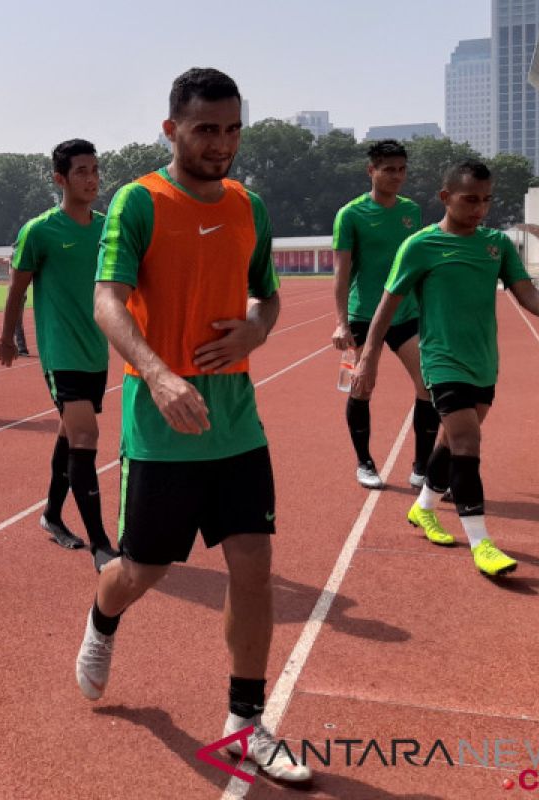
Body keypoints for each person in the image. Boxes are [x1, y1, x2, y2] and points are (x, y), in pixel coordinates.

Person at [75, 68, 311, 784]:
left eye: (234, 129)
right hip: (162, 422)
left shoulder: (250, 206)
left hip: (237, 419)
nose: (222, 144)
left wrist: (255, 334)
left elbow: (266, 300)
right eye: (207, 129)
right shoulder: (139, 203)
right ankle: (102, 617)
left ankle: (244, 722)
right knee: (142, 569)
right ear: (172, 129)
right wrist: (158, 371)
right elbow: (108, 302)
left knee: (254, 566)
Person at [353, 159, 539, 576]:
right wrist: (368, 357)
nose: (479, 208)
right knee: (467, 443)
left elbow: (530, 298)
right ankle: (482, 543)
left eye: (486, 200)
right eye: (470, 200)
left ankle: (423, 507)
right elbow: (386, 306)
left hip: (483, 362)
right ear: (446, 197)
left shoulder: (497, 245)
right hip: (442, 361)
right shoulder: (420, 246)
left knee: (450, 441)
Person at [0, 138, 118, 573]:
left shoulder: (109, 227)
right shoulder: (39, 230)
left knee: (71, 435)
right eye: (82, 171)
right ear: (60, 179)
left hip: (95, 350)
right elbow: (17, 289)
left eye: (95, 169)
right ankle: (101, 544)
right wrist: (8, 337)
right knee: (86, 437)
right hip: (60, 351)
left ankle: (51, 514)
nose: (92, 178)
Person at [332, 140, 438, 490]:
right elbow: (341, 275)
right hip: (362, 317)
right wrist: (341, 324)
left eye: (402, 169)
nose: (397, 176)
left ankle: (421, 467)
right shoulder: (350, 215)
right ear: (371, 171)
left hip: (406, 315)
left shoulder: (412, 212)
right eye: (389, 169)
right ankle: (364, 463)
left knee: (429, 386)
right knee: (360, 387)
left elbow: (417, 265)